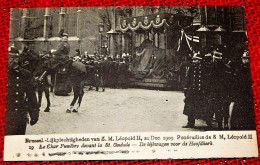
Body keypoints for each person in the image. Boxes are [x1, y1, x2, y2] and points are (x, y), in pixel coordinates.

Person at [5, 46, 39, 135]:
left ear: (17, 59)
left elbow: (31, 95)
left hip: (19, 116)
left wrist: (34, 113)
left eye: (11, 58)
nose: (8, 60)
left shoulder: (25, 74)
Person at [230, 50, 255, 130]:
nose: (245, 60)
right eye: (244, 59)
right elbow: (235, 83)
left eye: (247, 59)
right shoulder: (239, 69)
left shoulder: (252, 69)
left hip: (249, 95)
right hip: (240, 95)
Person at [183, 52, 205, 128]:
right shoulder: (191, 67)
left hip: (200, 91)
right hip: (192, 91)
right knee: (190, 107)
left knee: (201, 106)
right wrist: (186, 88)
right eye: (193, 60)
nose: (194, 61)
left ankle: (206, 122)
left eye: (195, 60)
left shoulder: (203, 68)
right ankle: (190, 122)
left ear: (199, 60)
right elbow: (188, 78)